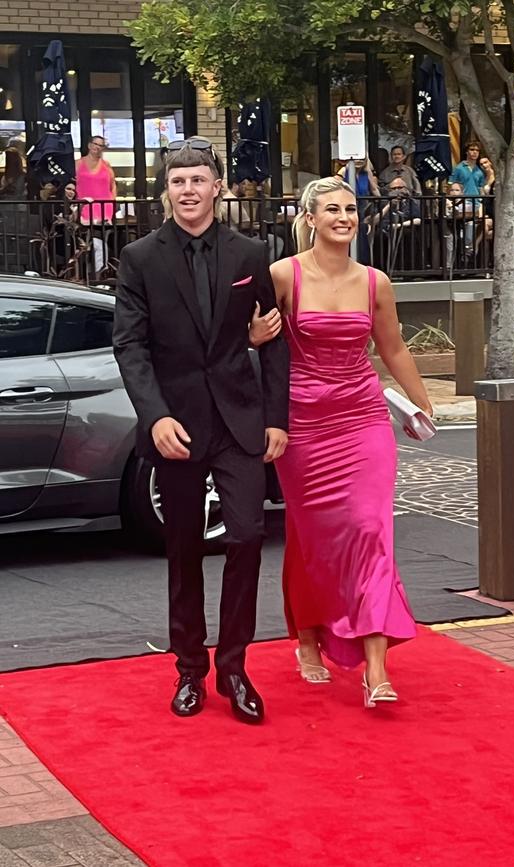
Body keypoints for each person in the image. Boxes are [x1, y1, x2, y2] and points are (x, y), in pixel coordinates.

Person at [112, 139, 290, 724]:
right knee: (183, 548)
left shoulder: (249, 253)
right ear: (167, 190)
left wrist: (275, 419)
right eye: (178, 180)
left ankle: (234, 666)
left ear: (217, 187)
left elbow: (273, 337)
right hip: (176, 427)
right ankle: (190, 668)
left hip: (239, 422)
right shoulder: (140, 257)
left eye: (198, 180)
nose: (188, 189)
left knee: (244, 537)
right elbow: (131, 346)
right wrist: (155, 415)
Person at [253, 176, 433, 709]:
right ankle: (308, 636)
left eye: (350, 209)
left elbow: (393, 345)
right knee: (311, 536)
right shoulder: (282, 276)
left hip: (363, 418)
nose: (343, 217)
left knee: (371, 531)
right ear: (310, 219)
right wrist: (252, 337)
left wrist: (421, 400)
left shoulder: (375, 281)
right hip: (303, 425)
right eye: (331, 209)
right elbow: (251, 339)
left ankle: (376, 667)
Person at [76, 135, 116, 225]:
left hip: (105, 209)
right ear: (89, 145)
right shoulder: (78, 164)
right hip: (84, 209)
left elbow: (112, 186)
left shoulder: (106, 165)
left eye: (101, 145)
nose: (97, 147)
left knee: (103, 235)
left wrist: (112, 203)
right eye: (95, 144)